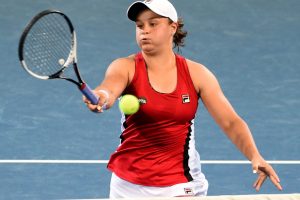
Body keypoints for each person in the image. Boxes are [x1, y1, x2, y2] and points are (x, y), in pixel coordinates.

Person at [83, 0, 282, 198]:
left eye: (153, 24)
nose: (145, 30)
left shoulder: (197, 74)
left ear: (172, 27)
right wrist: (102, 97)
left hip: (181, 185)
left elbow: (230, 122)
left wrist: (254, 155)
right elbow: (109, 89)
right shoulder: (125, 67)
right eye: (139, 25)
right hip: (127, 186)